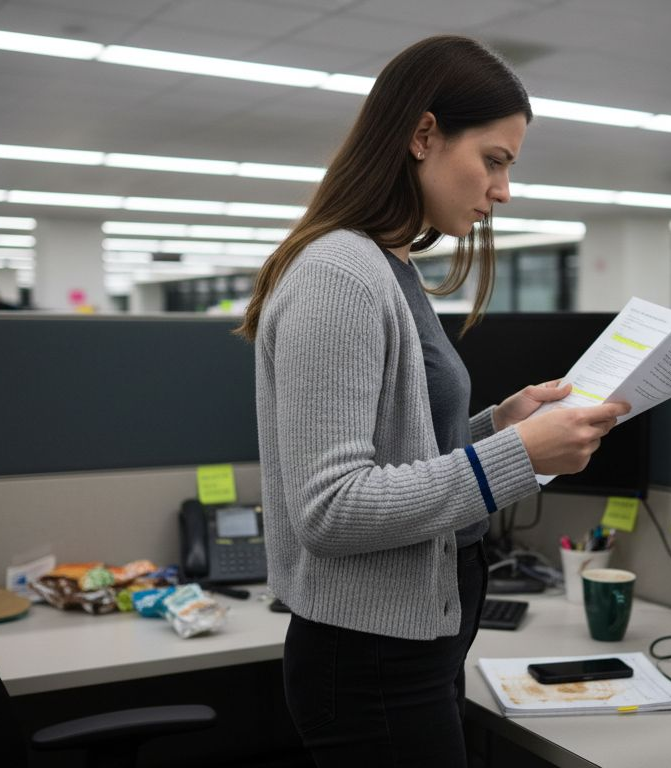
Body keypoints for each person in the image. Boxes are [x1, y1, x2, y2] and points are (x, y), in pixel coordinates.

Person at [237, 35, 629, 766]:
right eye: (495, 160)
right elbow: (331, 508)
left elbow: (397, 452)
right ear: (423, 135)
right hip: (370, 663)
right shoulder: (340, 274)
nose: (504, 190)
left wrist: (494, 427)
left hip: (413, 648)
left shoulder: (388, 266)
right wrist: (513, 457)